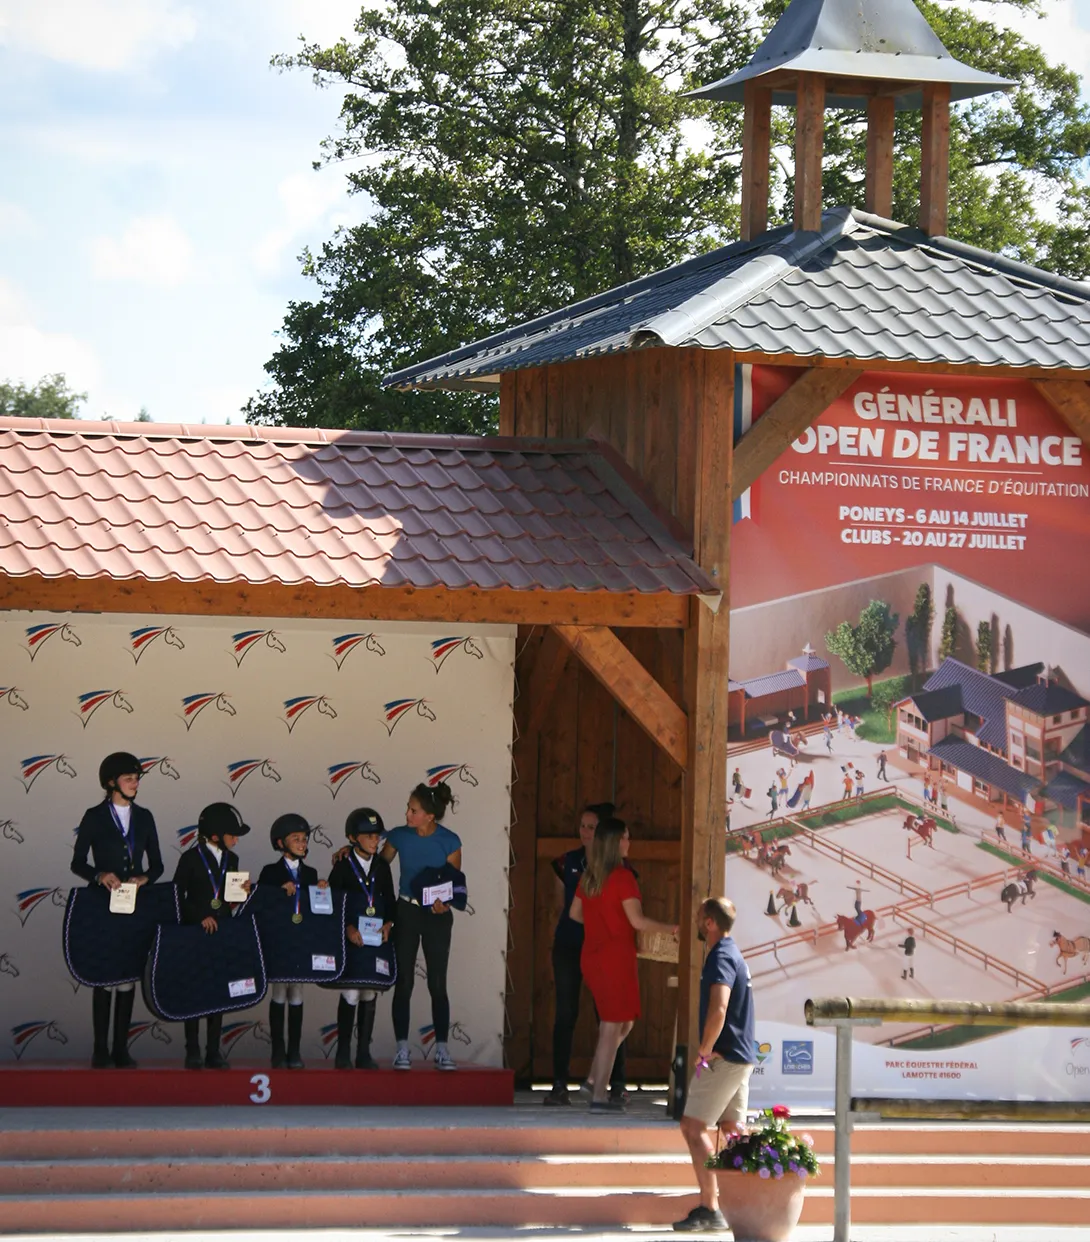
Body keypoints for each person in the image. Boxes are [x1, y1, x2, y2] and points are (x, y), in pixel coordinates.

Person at [569, 817, 677, 1113]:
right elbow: (638, 921)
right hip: (614, 958)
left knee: (623, 1022)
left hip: (595, 956)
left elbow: (575, 914)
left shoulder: (591, 877)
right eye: (626, 837)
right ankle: (598, 1096)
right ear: (616, 843)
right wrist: (671, 929)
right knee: (611, 1026)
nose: (629, 842)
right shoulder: (622, 877)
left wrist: (601, 924)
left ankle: (593, 1080)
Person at [71, 751, 164, 1069]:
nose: (135, 784)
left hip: (134, 904)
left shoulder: (145, 817)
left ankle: (121, 1049)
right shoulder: (94, 816)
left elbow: (158, 865)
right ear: (111, 782)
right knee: (105, 975)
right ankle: (100, 1049)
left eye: (137, 779)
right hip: (103, 904)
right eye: (129, 779)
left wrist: (144, 878)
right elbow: (77, 862)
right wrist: (99, 875)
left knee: (127, 976)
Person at [673, 897, 756, 1233]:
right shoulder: (734, 953)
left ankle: (710, 1207)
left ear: (709, 923)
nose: (696, 920)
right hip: (741, 1057)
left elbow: (719, 1008)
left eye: (698, 916)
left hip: (724, 1058)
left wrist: (705, 1050)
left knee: (693, 1128)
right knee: (733, 1132)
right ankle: (748, 1204)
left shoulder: (720, 955)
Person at [544, 802, 629, 1107]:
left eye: (591, 827)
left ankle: (615, 1084)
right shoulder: (567, 861)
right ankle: (559, 1084)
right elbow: (558, 907)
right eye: (582, 825)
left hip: (604, 950)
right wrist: (555, 941)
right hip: (569, 945)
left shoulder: (621, 868)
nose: (585, 832)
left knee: (611, 1016)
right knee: (565, 1013)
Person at [383, 781, 462, 1072]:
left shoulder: (450, 841)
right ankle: (402, 1049)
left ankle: (441, 1048)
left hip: (436, 917)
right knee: (404, 982)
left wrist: (445, 903)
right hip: (406, 911)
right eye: (408, 808)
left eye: (413, 811)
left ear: (429, 816)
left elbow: (453, 884)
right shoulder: (398, 836)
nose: (407, 814)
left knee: (437, 983)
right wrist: (349, 852)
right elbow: (376, 868)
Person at [173, 802, 250, 1069]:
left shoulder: (232, 860)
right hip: (196, 932)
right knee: (195, 990)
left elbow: (228, 899)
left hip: (222, 931)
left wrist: (242, 894)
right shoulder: (190, 859)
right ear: (215, 835)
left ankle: (213, 1050)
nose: (236, 840)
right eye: (232, 835)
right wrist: (198, 917)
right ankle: (192, 1049)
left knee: (218, 989)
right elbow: (176, 896)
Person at [327, 807, 397, 1070]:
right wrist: (347, 927)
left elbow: (390, 901)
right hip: (352, 941)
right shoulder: (342, 866)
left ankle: (364, 1052)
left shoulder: (382, 867)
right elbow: (333, 903)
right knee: (351, 991)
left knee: (370, 991)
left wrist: (389, 924)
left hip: (375, 940)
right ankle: (343, 1051)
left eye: (377, 836)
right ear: (352, 838)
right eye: (368, 836)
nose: (374, 841)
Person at [258, 814, 327, 1070]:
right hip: (279, 940)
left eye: (304, 838)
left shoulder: (311, 873)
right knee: (279, 991)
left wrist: (321, 889)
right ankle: (277, 1050)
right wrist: (278, 891)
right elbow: (261, 903)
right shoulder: (270, 872)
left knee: (297, 990)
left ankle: (294, 1051)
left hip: (301, 940)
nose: (302, 843)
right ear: (280, 843)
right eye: (296, 838)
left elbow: (315, 908)